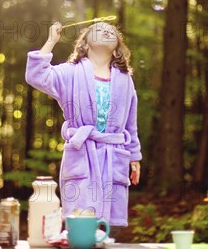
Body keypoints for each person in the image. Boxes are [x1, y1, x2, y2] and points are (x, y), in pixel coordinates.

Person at [25, 21, 142, 227]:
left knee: (110, 226)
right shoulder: (70, 73)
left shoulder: (125, 80)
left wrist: (134, 156)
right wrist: (52, 41)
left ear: (116, 50)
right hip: (82, 152)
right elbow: (36, 75)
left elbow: (130, 124)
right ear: (85, 45)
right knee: (80, 219)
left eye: (111, 31)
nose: (106, 29)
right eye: (99, 29)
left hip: (113, 154)